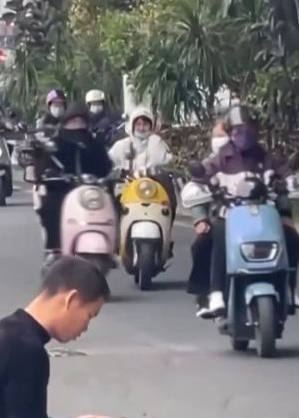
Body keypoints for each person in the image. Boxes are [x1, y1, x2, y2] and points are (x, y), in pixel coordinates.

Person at [197, 105, 299, 319]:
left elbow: (286, 173)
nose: (243, 135)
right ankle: (216, 292)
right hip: (229, 213)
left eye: (248, 130)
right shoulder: (220, 159)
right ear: (230, 132)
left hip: (264, 213)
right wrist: (201, 185)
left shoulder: (266, 158)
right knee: (218, 235)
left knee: (291, 237)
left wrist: (293, 183)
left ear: (256, 131)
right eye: (238, 130)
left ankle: (289, 288)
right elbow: (201, 176)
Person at [0, 256, 111, 418]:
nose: (86, 327)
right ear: (71, 300)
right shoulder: (26, 350)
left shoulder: (7, 332)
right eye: (89, 315)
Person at [23, 102, 113, 272]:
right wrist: (49, 173)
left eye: (81, 121)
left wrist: (109, 176)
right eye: (73, 121)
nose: (77, 125)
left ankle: (112, 242)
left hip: (91, 190)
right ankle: (54, 249)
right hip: (62, 189)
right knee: (50, 204)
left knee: (112, 202)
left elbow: (106, 166)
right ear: (65, 123)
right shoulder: (55, 143)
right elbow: (43, 165)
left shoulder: (94, 144)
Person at [186, 121, 227, 316]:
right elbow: (197, 194)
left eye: (224, 135)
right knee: (201, 244)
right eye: (216, 136)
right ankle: (204, 296)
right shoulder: (209, 166)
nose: (220, 140)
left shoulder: (253, 161)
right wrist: (201, 219)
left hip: (251, 220)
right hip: (219, 219)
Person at [108, 107, 177, 221]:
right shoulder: (121, 145)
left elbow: (168, 163)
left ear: (151, 126)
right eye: (138, 124)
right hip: (126, 188)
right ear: (132, 125)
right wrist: (119, 173)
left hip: (153, 189)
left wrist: (154, 172)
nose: (141, 128)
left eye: (145, 124)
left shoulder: (157, 142)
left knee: (169, 200)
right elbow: (109, 164)